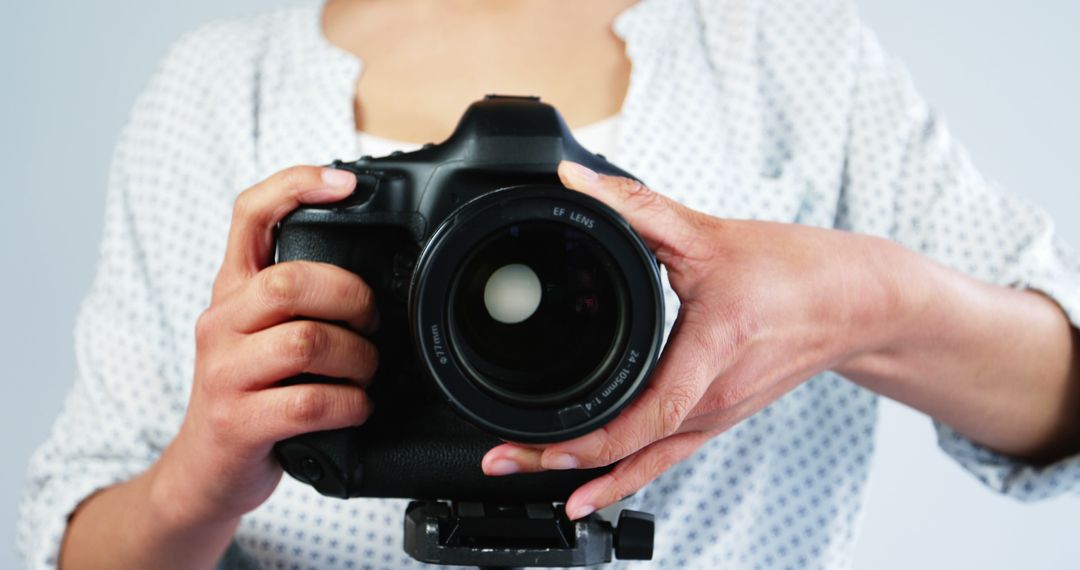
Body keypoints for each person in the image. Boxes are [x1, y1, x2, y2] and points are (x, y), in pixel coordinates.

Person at [17, 0, 1080, 568]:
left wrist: (862, 296)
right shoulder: (217, 92)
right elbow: (79, 547)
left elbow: (1064, 399)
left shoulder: (790, 48)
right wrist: (203, 478)